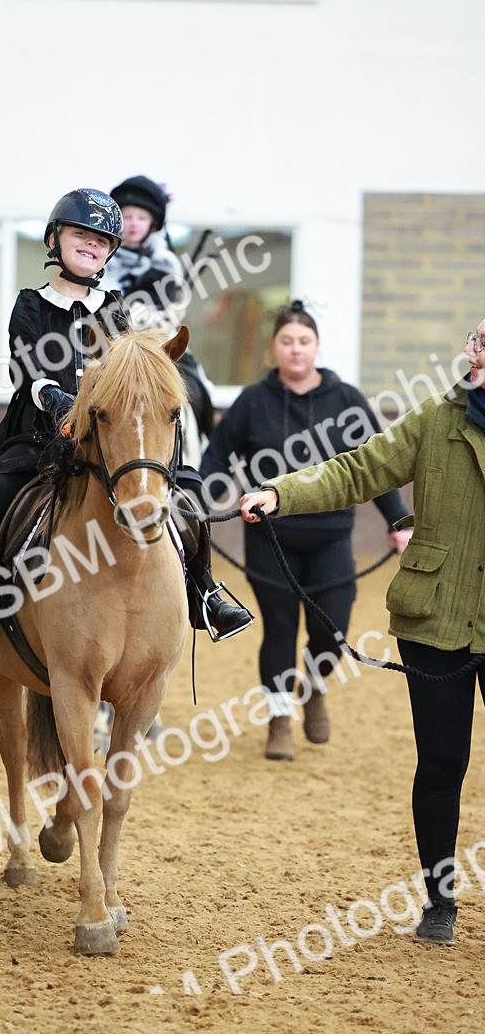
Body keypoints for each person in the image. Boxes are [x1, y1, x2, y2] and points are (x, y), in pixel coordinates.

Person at [240, 318, 485, 945]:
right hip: (436, 618)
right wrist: (280, 493)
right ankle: (439, 902)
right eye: (476, 340)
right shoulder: (436, 419)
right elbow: (358, 470)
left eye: (483, 344)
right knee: (442, 763)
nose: (473, 351)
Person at [0, 188, 252, 648]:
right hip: (40, 431)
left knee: (186, 489)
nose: (91, 244)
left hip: (105, 434)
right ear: (54, 239)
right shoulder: (30, 305)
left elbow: (126, 368)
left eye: (102, 240)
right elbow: (25, 370)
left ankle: (204, 592)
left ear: (110, 252)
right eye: (80, 235)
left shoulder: (112, 306)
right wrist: (57, 401)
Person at [200, 300, 411, 760]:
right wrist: (197, 504)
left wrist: (398, 522)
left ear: (316, 347)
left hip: (331, 538)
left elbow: (376, 466)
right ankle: (279, 719)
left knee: (330, 630)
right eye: (287, 341)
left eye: (304, 341)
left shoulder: (346, 400)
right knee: (279, 629)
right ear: (273, 348)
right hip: (270, 539)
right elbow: (217, 457)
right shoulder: (252, 401)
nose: (296, 349)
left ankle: (314, 686)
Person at [104, 175, 216, 463]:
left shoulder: (166, 264)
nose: (133, 223)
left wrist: (149, 319)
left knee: (199, 388)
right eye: (127, 216)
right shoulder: (101, 261)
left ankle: (197, 452)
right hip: (113, 347)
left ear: (152, 223)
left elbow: (175, 310)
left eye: (141, 217)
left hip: (159, 344)